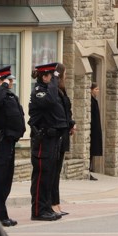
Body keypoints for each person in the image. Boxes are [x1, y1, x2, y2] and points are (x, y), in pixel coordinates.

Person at [0, 66, 25, 227]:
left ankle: (2, 213)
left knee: (6, 180)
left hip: (9, 142)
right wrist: (1, 86)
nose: (11, 82)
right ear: (0, 80)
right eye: (8, 80)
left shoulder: (9, 96)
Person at [28, 62, 68, 221]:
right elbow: (51, 101)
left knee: (49, 177)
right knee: (41, 177)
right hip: (42, 140)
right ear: (45, 77)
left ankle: (45, 208)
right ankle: (38, 210)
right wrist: (53, 82)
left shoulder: (49, 91)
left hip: (52, 140)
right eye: (52, 77)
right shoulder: (39, 92)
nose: (55, 81)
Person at [50, 63, 75, 216]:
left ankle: (56, 203)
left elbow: (66, 112)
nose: (66, 76)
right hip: (56, 137)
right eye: (64, 74)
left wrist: (71, 123)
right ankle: (52, 204)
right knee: (53, 172)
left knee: (57, 171)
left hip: (64, 134)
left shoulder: (62, 91)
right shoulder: (54, 92)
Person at [89, 82, 102, 180]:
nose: (98, 91)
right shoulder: (90, 101)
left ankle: (90, 168)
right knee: (90, 150)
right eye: (96, 89)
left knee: (92, 150)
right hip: (92, 129)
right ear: (91, 90)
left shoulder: (94, 101)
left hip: (95, 129)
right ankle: (89, 169)